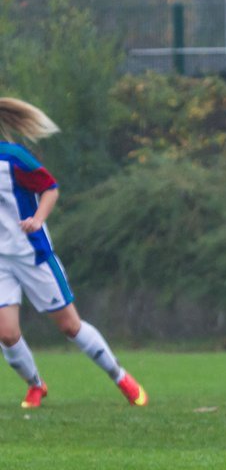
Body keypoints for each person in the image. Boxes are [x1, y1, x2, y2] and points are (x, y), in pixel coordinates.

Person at [0, 98, 147, 408]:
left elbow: (50, 188)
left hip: (32, 254)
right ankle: (36, 385)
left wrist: (38, 219)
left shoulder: (13, 158)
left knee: (70, 326)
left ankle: (119, 375)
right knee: (7, 334)